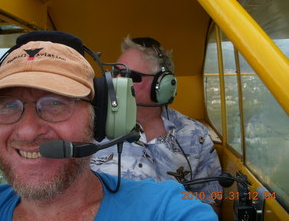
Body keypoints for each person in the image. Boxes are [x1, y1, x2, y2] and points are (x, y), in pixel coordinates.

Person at [0, 31, 217, 221]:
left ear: (98, 118)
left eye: (56, 103)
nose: (27, 131)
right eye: (8, 105)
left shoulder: (166, 207)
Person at [91, 36, 223, 213]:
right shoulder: (91, 126)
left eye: (130, 76)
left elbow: (210, 202)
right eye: (116, 72)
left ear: (162, 85)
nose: (117, 81)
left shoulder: (194, 135)